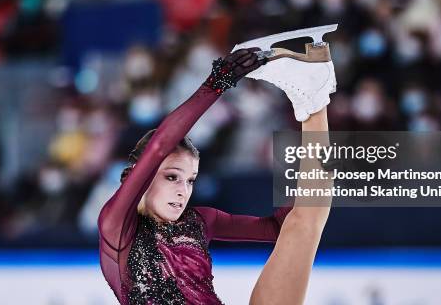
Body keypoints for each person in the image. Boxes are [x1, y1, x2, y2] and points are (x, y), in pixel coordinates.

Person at [98, 47, 334, 304]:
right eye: (172, 177)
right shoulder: (116, 226)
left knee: (303, 220)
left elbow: (280, 228)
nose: (183, 190)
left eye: (190, 180)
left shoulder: (199, 221)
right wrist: (217, 82)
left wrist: (314, 171)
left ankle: (313, 96)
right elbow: (159, 146)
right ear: (141, 176)